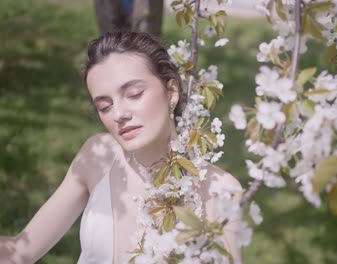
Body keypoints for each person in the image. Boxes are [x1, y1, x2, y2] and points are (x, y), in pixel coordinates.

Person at [0, 31, 242, 263]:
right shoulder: (98, 155)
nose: (118, 114)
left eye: (134, 94)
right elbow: (22, 251)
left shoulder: (219, 191)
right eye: (104, 106)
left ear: (171, 92)